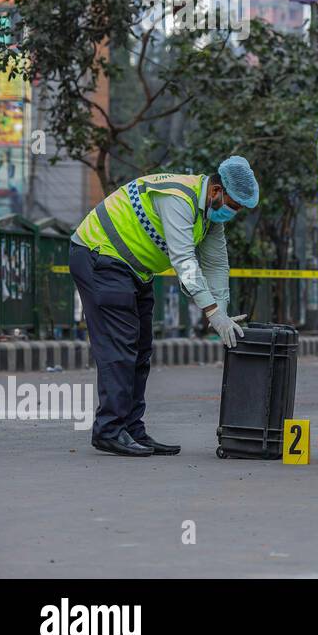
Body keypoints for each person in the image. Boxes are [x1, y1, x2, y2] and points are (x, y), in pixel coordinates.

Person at [71, 158, 259, 457]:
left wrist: (221, 312)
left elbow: (216, 264)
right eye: (233, 205)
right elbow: (183, 261)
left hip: (134, 270)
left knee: (141, 350)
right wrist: (211, 312)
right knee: (120, 349)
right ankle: (109, 430)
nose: (233, 213)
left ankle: (131, 429)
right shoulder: (178, 198)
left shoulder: (210, 218)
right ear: (216, 190)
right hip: (100, 256)